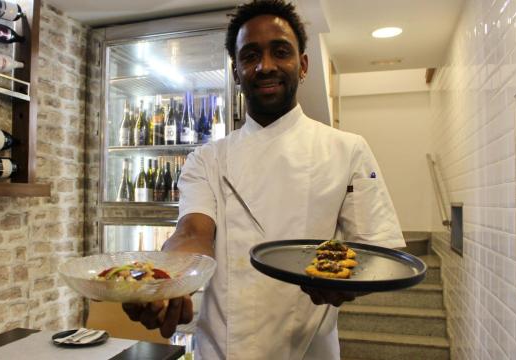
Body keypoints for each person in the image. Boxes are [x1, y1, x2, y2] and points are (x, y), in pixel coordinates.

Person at [122, 0, 405, 358]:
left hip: (307, 350)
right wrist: (170, 279)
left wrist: (348, 287)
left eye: (280, 52)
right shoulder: (207, 158)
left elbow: (375, 251)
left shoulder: (347, 149)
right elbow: (193, 233)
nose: (265, 66)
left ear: (302, 65)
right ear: (237, 71)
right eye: (250, 55)